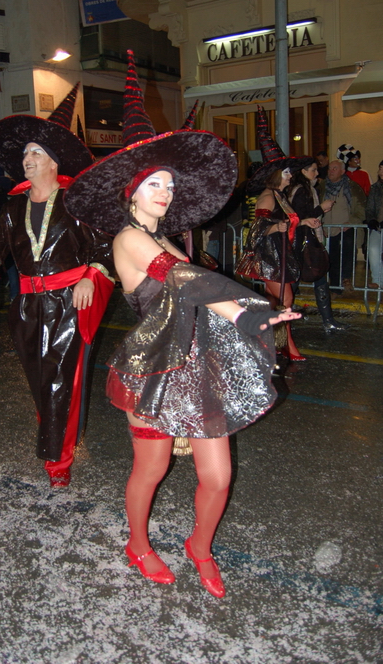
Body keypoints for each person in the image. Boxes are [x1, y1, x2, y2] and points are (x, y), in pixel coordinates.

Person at [65, 52, 300, 597]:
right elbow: (186, 283)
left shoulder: (168, 237)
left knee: (217, 476)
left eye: (169, 184)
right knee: (151, 470)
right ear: (132, 190)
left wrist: (256, 311)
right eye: (155, 184)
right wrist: (249, 310)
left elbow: (201, 281)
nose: (165, 192)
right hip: (154, 368)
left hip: (199, 366)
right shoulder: (129, 239)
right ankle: (138, 544)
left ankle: (199, 547)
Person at [0, 85, 115, 488]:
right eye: (25, 154)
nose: (25, 160)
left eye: (34, 154)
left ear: (53, 163)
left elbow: (104, 248)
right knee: (39, 380)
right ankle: (56, 429)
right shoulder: (12, 207)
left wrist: (90, 275)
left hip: (67, 303)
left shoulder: (76, 203)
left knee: (62, 378)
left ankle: (58, 460)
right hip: (26, 306)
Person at [237, 106, 304, 360]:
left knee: (274, 302)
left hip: (280, 254)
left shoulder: (279, 195)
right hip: (270, 258)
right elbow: (256, 229)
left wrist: (305, 221)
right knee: (286, 300)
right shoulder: (267, 196)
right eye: (286, 173)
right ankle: (287, 346)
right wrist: (275, 226)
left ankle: (265, 340)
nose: (290, 176)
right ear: (277, 174)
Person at [287, 158, 348, 333]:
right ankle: (325, 320)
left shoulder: (303, 189)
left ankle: (326, 319)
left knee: (313, 276)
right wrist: (321, 208)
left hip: (302, 240)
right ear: (304, 172)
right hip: (302, 240)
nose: (317, 173)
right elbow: (300, 218)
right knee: (305, 277)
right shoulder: (302, 191)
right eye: (313, 170)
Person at [318, 159, 366, 294]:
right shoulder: (321, 188)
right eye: (330, 168)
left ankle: (346, 279)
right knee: (331, 256)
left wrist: (351, 222)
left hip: (346, 227)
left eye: (334, 168)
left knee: (347, 251)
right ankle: (334, 287)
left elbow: (361, 209)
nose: (331, 171)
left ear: (342, 172)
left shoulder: (352, 188)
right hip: (328, 229)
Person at [365, 160, 383, 289]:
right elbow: (370, 207)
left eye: (382, 169)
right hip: (378, 227)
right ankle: (377, 280)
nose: (379, 172)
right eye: (379, 168)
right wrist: (371, 219)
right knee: (373, 249)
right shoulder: (375, 187)